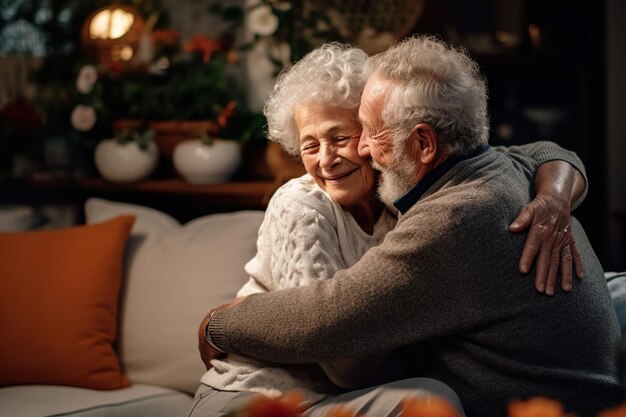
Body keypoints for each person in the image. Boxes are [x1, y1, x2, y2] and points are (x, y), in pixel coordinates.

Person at [195, 39, 613, 417]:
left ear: (425, 144)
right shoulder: (497, 172)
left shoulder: (453, 218)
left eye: (367, 132)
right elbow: (546, 152)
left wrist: (219, 325)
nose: (360, 149)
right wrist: (555, 194)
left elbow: (327, 319)